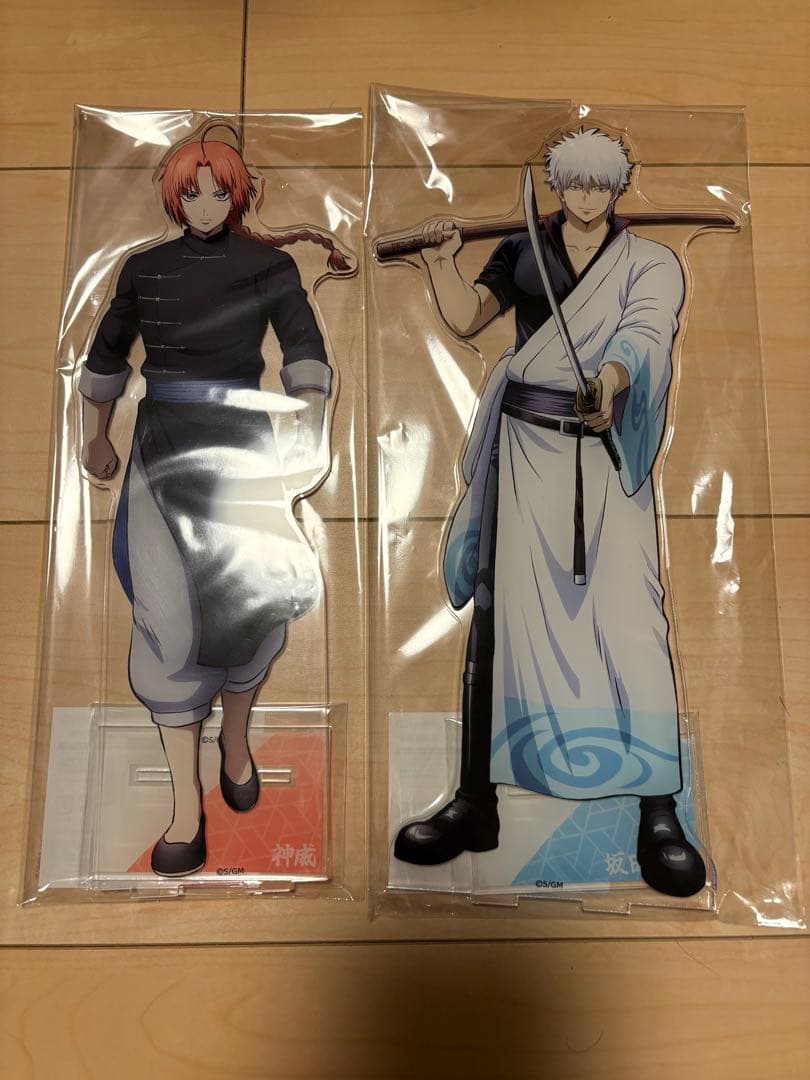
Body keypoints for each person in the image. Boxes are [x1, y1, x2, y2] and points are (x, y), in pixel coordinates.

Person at [393, 128, 706, 897]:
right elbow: (470, 317)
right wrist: (440, 260)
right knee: (499, 620)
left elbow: (644, 337)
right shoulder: (523, 248)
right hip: (525, 450)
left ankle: (659, 811)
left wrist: (610, 382)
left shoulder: (651, 264)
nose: (587, 196)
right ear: (558, 184)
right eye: (574, 181)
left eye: (601, 183)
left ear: (619, 187)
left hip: (605, 452)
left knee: (634, 619)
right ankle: (477, 803)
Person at [80, 129, 350, 877]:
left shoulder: (270, 265)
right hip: (163, 447)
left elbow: (304, 351)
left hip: (244, 448)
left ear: (239, 194)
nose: (204, 205)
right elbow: (106, 356)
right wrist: (92, 436)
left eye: (219, 191)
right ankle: (183, 810)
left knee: (252, 608)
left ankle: (234, 741)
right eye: (192, 192)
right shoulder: (143, 269)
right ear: (173, 196)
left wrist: (310, 434)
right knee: (165, 620)